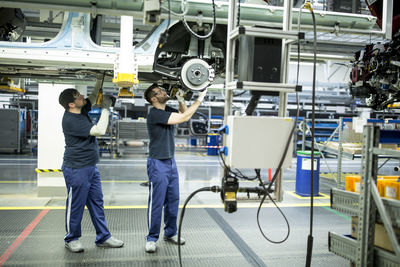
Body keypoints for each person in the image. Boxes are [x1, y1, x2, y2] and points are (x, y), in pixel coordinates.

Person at [58, 78, 124, 253]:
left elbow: (93, 97)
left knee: (97, 202)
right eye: (77, 96)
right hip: (76, 169)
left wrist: (99, 79)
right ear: (71, 104)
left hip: (91, 166)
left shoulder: (81, 109)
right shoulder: (71, 120)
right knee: (76, 205)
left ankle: (103, 237)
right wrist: (105, 109)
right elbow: (99, 131)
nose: (82, 97)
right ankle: (71, 238)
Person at [143, 83, 207, 253]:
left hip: (171, 162)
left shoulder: (166, 110)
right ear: (153, 99)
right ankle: (151, 238)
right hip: (157, 163)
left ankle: (170, 233)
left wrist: (181, 99)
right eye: (160, 92)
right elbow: (184, 118)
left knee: (173, 200)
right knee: (157, 202)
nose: (164, 92)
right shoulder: (155, 114)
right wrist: (199, 99)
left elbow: (183, 112)